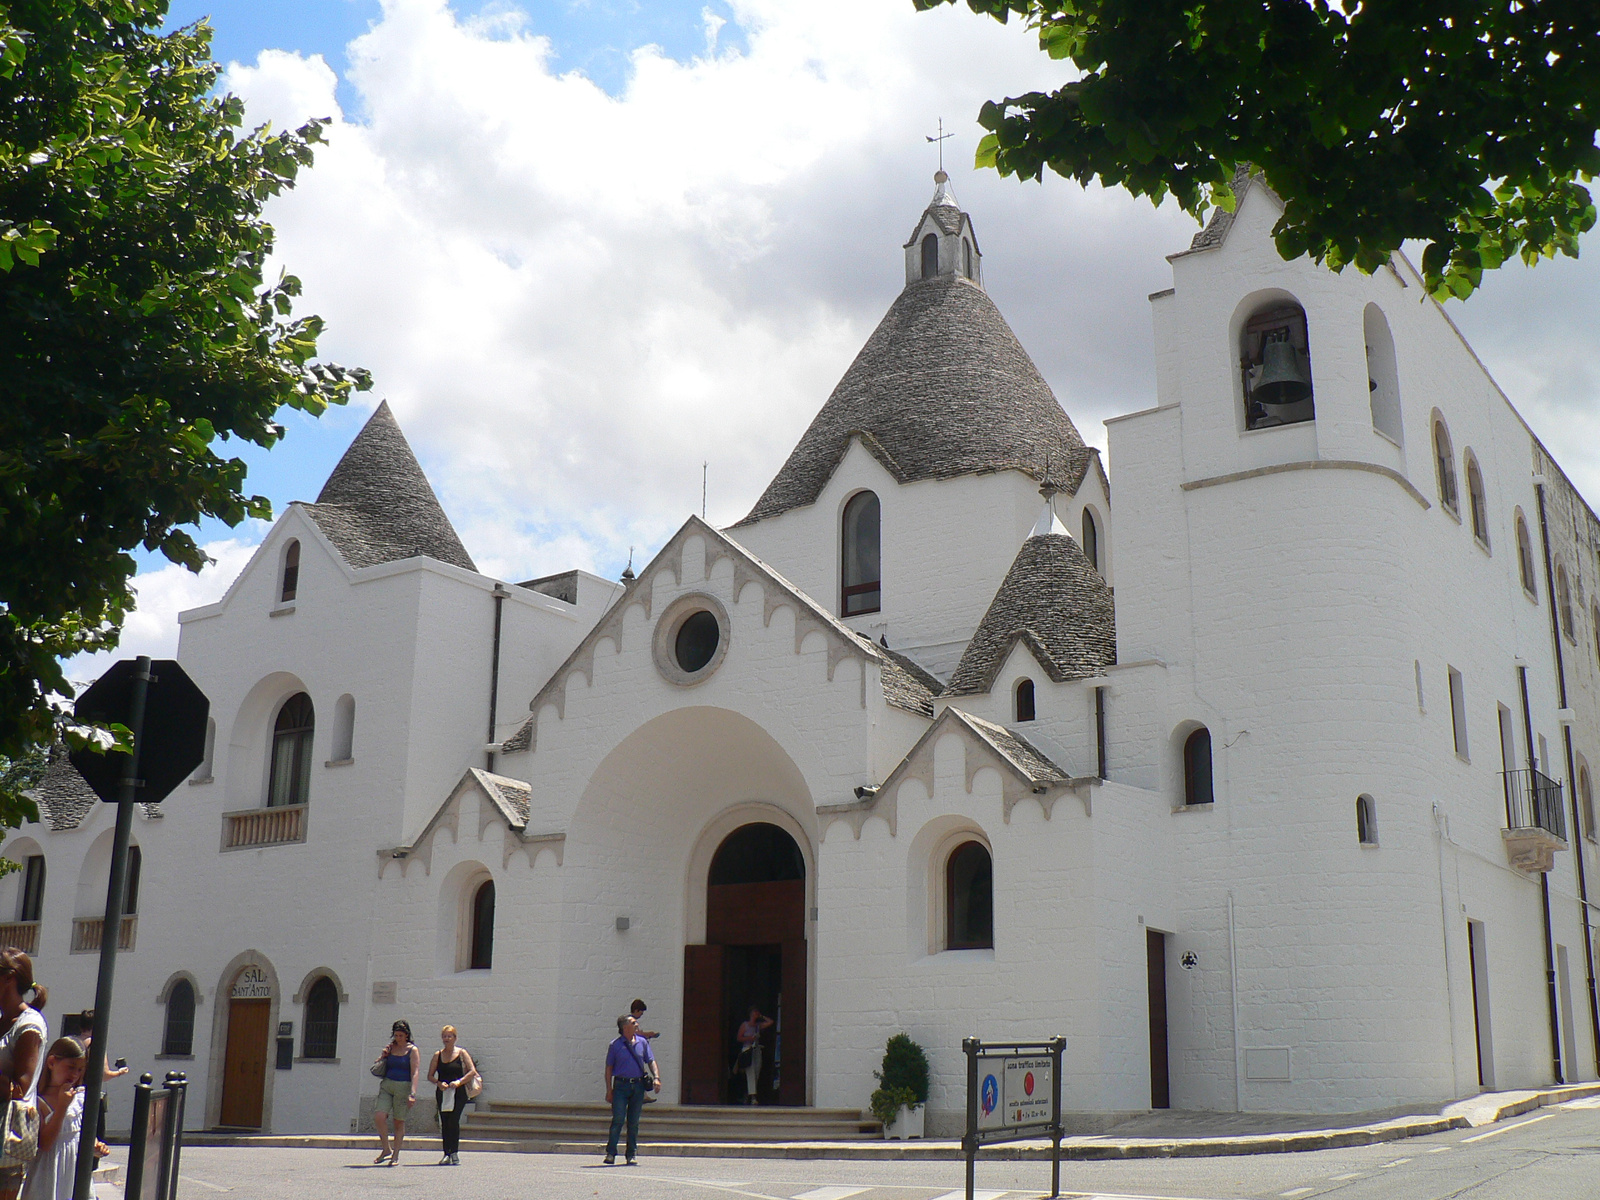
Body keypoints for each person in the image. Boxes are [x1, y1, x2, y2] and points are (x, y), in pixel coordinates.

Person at [22, 1038, 108, 1200]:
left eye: (80, 1069)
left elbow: (81, 1134)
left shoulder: (81, 1097)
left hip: (75, 1174)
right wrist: (62, 1106)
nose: (75, 1074)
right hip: (48, 1175)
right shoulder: (38, 1100)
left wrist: (95, 1146)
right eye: (71, 1067)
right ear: (52, 1062)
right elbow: (45, 1143)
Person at [0, 950, 48, 1200]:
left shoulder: (29, 1024)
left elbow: (20, 1087)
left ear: (8, 978)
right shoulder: (2, 1020)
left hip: (6, 1144)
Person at [602, 1015, 659, 1166]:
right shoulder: (615, 1045)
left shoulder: (642, 1042)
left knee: (633, 1122)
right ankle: (611, 1153)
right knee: (618, 1119)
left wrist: (657, 1077)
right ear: (624, 1027)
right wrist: (609, 1089)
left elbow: (651, 1061)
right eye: (633, 1022)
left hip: (638, 1086)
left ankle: (631, 1154)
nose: (637, 1024)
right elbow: (609, 1069)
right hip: (621, 1085)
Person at [426, 1025, 478, 1167]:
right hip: (443, 1092)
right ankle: (446, 1153)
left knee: (453, 1121)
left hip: (458, 1092)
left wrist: (459, 1082)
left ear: (455, 1038)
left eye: (450, 1036)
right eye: (444, 1036)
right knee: (445, 1122)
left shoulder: (462, 1053)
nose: (447, 1039)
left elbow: (472, 1071)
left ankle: (454, 1152)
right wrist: (438, 1083)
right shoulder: (438, 1055)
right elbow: (430, 1075)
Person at [370, 1019, 419, 1166]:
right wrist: (383, 1055)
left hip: (403, 1087)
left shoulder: (412, 1050)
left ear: (407, 1035)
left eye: (401, 1036)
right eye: (396, 1035)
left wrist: (413, 1093)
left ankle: (396, 1154)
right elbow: (378, 1064)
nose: (398, 1038)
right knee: (379, 1116)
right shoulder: (391, 1048)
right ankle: (386, 1148)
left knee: (398, 1121)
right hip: (387, 1084)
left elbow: (415, 1072)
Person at [734, 1006, 773, 1105]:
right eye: (755, 1012)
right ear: (751, 1013)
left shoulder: (758, 1026)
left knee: (756, 1072)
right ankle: (753, 1097)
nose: (757, 1013)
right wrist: (749, 1038)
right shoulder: (745, 1025)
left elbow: (770, 1022)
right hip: (748, 1050)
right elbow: (739, 1038)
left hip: (756, 1050)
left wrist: (762, 1016)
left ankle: (748, 1094)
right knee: (750, 1072)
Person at [629, 1000, 659, 1104]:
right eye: (640, 1013)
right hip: (634, 1053)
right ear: (636, 1010)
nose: (641, 1015)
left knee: (641, 1074)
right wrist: (648, 1034)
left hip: (635, 1052)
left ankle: (643, 1095)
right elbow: (636, 1033)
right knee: (640, 1074)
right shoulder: (630, 1020)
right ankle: (641, 1095)